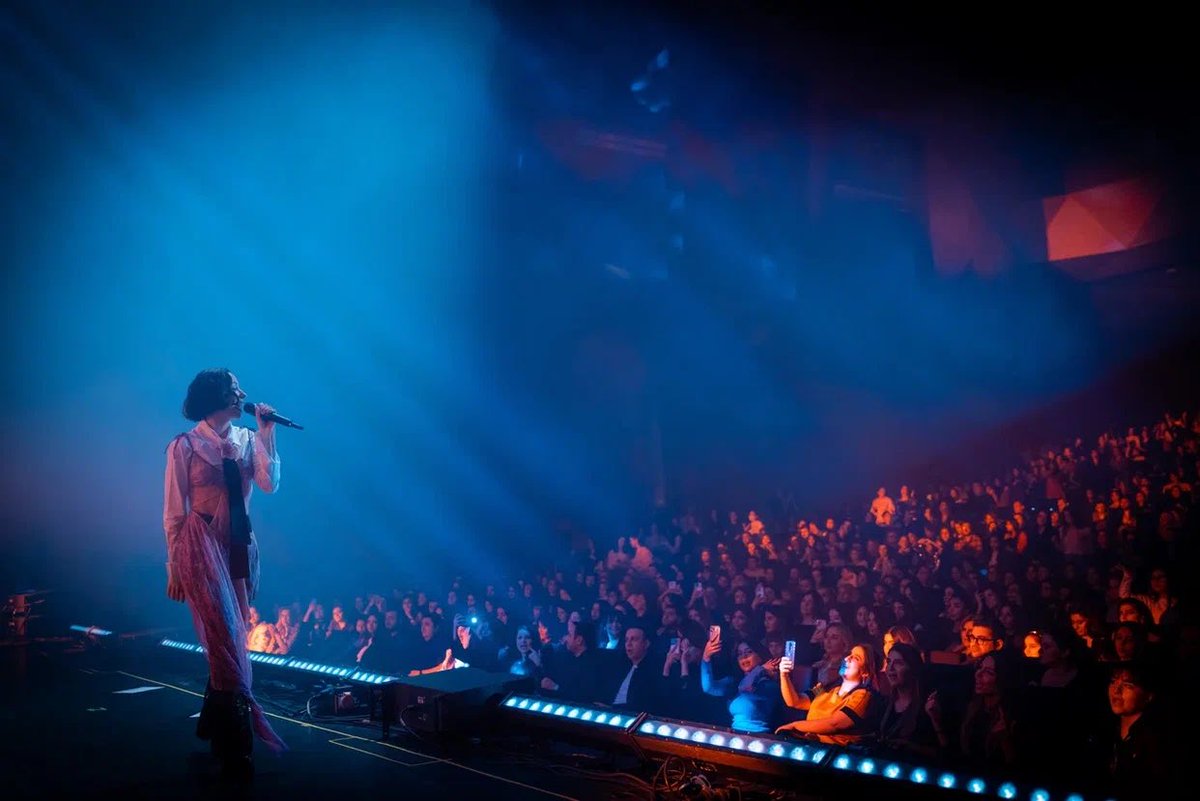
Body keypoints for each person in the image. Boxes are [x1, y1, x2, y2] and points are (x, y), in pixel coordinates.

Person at [163, 368, 286, 777]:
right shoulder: (184, 446)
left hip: (238, 546)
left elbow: (269, 486)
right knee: (228, 641)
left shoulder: (247, 439)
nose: (243, 394)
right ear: (217, 396)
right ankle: (238, 750)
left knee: (231, 640)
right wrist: (174, 566)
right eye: (235, 390)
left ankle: (213, 731)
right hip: (200, 548)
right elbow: (173, 513)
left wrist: (266, 432)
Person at [776, 643, 881, 745]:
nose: (847, 658)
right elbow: (795, 701)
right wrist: (784, 675)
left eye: (856, 658)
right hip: (810, 746)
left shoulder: (863, 696)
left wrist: (795, 726)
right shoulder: (826, 688)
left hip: (834, 755)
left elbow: (834, 724)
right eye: (849, 654)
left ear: (865, 672)